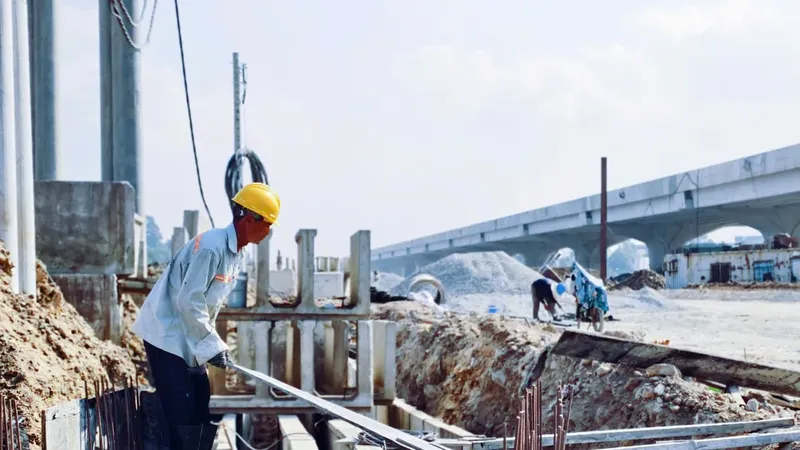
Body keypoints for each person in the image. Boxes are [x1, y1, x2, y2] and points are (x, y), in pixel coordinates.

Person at [132, 182, 281, 449]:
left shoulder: (236, 254)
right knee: (181, 412)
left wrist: (210, 346)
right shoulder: (212, 247)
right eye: (268, 224)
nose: (269, 232)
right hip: (166, 335)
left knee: (200, 401)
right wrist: (212, 346)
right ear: (249, 219)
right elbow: (189, 301)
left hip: (189, 336)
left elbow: (207, 305)